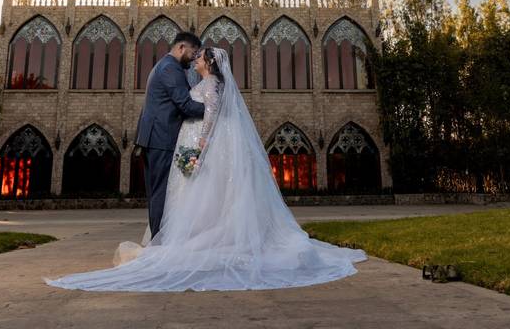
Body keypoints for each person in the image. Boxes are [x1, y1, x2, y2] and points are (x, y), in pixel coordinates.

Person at [43, 46, 367, 292]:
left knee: (206, 193)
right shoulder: (209, 82)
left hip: (205, 146)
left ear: (209, 63)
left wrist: (199, 148)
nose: (195, 62)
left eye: (199, 59)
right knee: (207, 196)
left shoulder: (211, 84)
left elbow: (209, 117)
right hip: (202, 144)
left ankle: (201, 240)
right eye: (195, 57)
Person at [133, 31, 205, 237]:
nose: (193, 60)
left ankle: (160, 239)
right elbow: (185, 105)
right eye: (193, 53)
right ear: (181, 47)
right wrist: (214, 110)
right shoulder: (170, 69)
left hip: (156, 137)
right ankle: (158, 244)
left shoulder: (164, 66)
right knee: (161, 193)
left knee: (160, 192)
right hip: (160, 137)